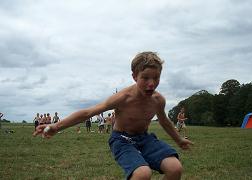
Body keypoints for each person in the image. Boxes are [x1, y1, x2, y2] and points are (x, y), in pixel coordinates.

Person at [33, 51, 193, 180]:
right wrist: (55, 126)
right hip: (122, 140)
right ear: (134, 76)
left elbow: (164, 121)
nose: (151, 83)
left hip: (145, 139)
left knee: (175, 169)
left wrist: (179, 139)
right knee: (142, 174)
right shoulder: (123, 98)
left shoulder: (158, 100)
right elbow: (88, 113)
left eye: (156, 78)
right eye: (145, 78)